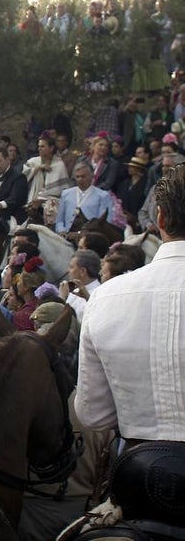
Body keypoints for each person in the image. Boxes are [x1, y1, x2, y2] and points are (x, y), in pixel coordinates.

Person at [76, 163, 185, 441]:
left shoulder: (105, 296)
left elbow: (92, 415)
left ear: (159, 219)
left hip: (141, 469)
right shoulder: (104, 295)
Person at [54, 163, 113, 235]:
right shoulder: (66, 194)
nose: (80, 179)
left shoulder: (103, 195)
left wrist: (79, 234)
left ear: (91, 176)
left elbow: (104, 223)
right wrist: (61, 230)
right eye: (77, 177)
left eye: (83, 176)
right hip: (66, 235)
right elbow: (59, 220)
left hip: (90, 237)